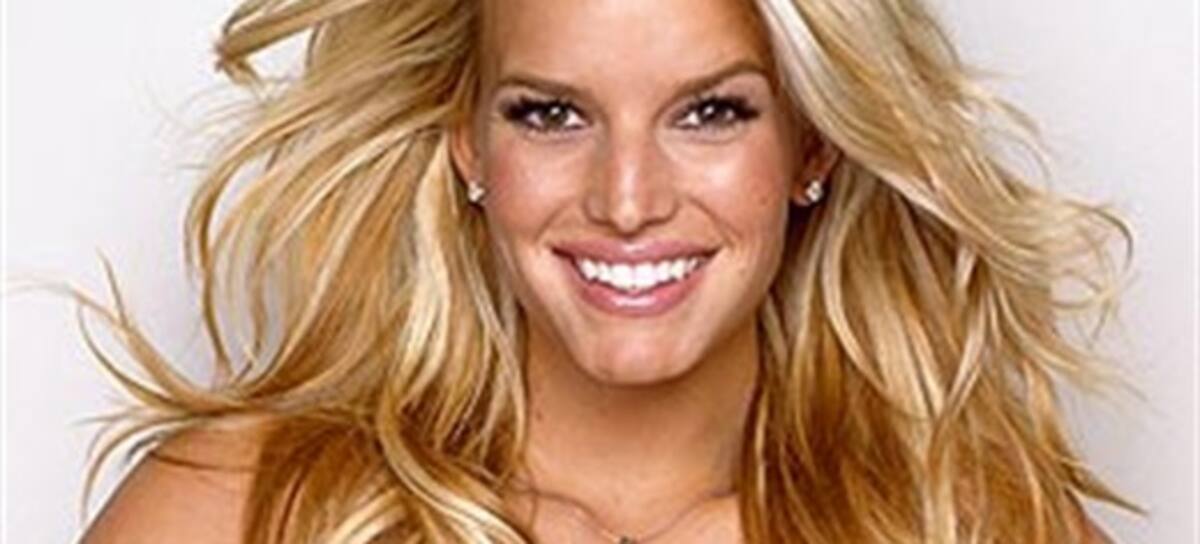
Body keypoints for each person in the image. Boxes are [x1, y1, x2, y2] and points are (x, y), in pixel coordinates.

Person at [72, 0, 1139, 542]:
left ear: (812, 145)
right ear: (467, 142)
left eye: (710, 112)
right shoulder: (237, 513)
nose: (627, 200)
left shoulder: (966, 523)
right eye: (551, 114)